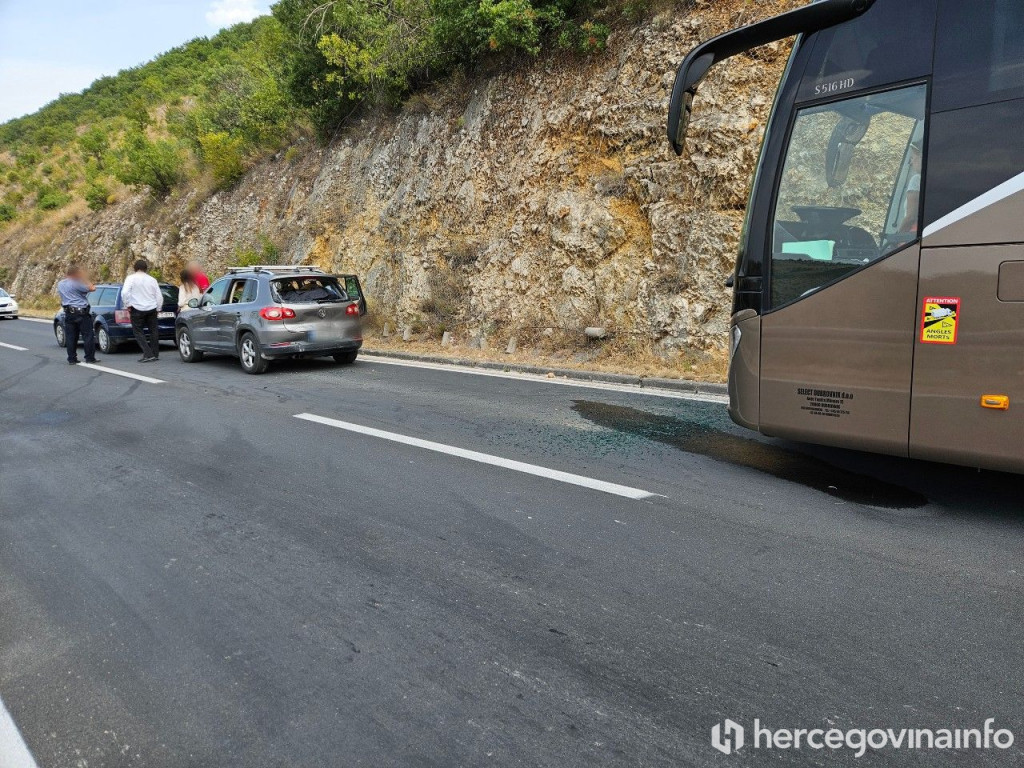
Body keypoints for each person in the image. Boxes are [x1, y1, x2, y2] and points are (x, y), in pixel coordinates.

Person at [121, 259, 164, 362]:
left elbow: (125, 292)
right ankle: (155, 354)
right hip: (152, 308)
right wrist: (158, 308)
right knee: (153, 331)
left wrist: (128, 304)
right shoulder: (152, 279)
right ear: (146, 268)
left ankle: (148, 354)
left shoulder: (131, 278)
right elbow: (159, 296)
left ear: (135, 268)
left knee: (138, 332)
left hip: (137, 308)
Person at [56, 265, 98, 365]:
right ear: (75, 274)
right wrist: (84, 278)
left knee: (71, 336)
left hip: (68, 313)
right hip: (81, 313)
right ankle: (89, 358)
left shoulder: (60, 284)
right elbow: (92, 288)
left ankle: (72, 359)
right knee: (88, 335)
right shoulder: (76, 283)